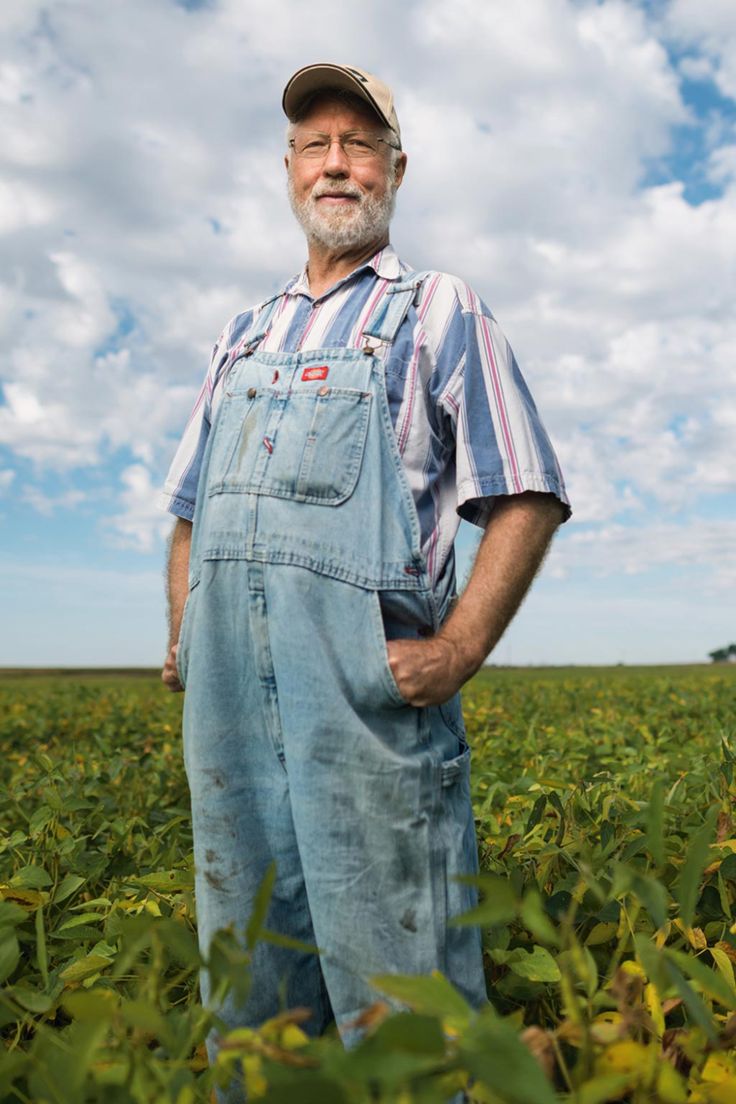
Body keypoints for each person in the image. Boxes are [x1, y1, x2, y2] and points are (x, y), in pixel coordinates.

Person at [159, 61, 570, 1097]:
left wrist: (457, 649)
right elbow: (189, 513)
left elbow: (522, 492)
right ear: (289, 169)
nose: (334, 162)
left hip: (361, 702)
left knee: (403, 986)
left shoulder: (438, 310)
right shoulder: (241, 334)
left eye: (357, 143)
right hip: (226, 723)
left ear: (394, 167)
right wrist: (188, 638)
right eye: (314, 144)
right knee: (250, 982)